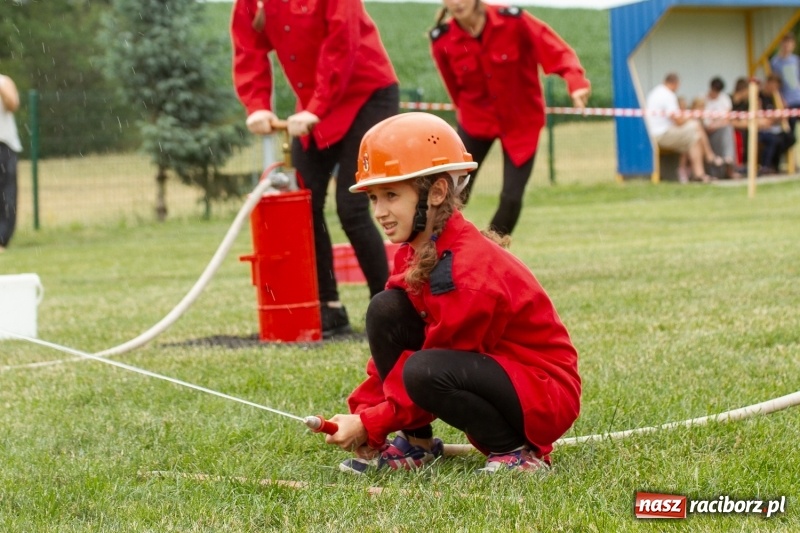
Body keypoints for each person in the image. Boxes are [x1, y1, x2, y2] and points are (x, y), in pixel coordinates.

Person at [324, 113, 580, 474]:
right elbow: (393, 358)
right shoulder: (417, 249)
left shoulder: (465, 271)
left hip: (541, 391)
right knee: (385, 309)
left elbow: (436, 364)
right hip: (493, 370)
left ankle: (515, 452)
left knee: (424, 370)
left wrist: (372, 424)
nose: (380, 212)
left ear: (438, 192)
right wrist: (362, 413)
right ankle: (417, 444)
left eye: (392, 195)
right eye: (374, 198)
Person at [230, 0, 399, 338]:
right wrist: (257, 105)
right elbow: (248, 49)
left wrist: (317, 106)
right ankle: (329, 307)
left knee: (351, 205)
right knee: (304, 202)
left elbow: (341, 46)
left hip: (366, 93)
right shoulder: (251, 3)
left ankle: (389, 311)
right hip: (316, 105)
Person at [428, 1, 590, 236]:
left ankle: (491, 251)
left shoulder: (514, 21)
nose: (457, 3)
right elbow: (454, 90)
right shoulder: (442, 40)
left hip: (521, 122)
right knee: (452, 195)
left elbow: (557, 51)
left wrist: (575, 83)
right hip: (476, 121)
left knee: (511, 198)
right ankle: (436, 252)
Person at [645, 73, 723, 183]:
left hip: (655, 133)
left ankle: (699, 174)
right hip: (661, 134)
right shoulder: (668, 95)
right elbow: (679, 121)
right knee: (695, 126)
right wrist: (692, 115)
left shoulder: (656, 92)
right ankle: (709, 157)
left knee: (694, 136)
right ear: (675, 83)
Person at [702, 77, 740, 179]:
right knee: (726, 130)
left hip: (720, 129)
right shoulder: (703, 99)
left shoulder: (724, 99)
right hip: (707, 132)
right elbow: (704, 122)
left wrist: (715, 124)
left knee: (727, 129)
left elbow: (727, 119)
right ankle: (729, 162)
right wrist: (716, 124)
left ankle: (728, 160)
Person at [0, 73, 22, 253]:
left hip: (4, 146)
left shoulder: (4, 81)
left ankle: (1, 240)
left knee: (7, 195)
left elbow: (13, 104)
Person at [757, 73, 796, 174]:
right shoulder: (759, 96)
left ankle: (774, 164)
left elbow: (784, 113)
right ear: (768, 83)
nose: (774, 88)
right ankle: (765, 166)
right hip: (764, 130)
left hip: (775, 129)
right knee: (774, 140)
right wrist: (775, 118)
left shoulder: (776, 97)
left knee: (790, 138)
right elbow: (762, 117)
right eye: (773, 85)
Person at [770, 32, 800, 133]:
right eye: (785, 42)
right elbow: (774, 84)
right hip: (787, 101)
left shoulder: (796, 60)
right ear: (781, 44)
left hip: (798, 97)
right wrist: (780, 99)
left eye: (790, 42)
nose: (787, 45)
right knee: (790, 132)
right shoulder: (775, 62)